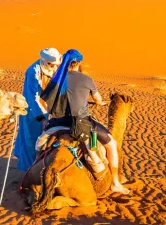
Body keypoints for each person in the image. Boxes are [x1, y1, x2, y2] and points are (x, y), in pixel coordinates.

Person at [42, 49, 130, 194]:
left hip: (57, 122)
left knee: (41, 142)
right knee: (112, 144)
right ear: (79, 63)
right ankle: (115, 183)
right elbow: (98, 99)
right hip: (82, 124)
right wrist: (100, 103)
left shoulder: (55, 80)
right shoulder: (87, 80)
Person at [14, 47, 62, 171]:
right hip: (33, 112)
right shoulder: (33, 72)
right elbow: (32, 98)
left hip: (47, 108)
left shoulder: (54, 67)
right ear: (46, 62)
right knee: (32, 141)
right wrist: (41, 118)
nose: (54, 66)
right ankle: (29, 171)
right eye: (51, 64)